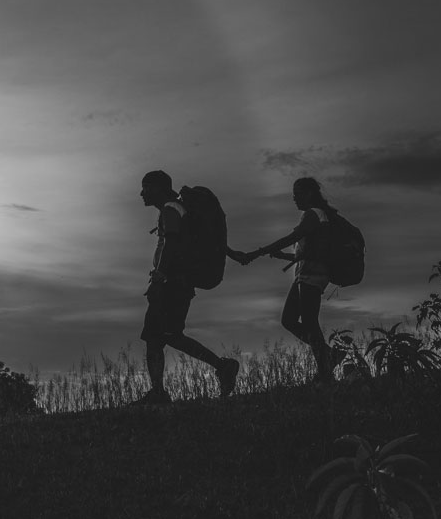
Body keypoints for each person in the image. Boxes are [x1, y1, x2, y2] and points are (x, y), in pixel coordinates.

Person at [136, 170, 240, 404]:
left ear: (159, 187)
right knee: (167, 336)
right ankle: (221, 366)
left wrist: (159, 278)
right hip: (178, 282)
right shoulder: (180, 208)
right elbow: (194, 240)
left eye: (146, 187)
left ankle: (159, 393)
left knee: (157, 336)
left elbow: (171, 243)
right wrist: (233, 254)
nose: (142, 193)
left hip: (171, 283)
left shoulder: (171, 209)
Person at [238, 177, 335, 384]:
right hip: (304, 273)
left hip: (313, 274)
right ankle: (329, 357)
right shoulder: (313, 216)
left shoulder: (313, 214)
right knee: (289, 320)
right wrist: (283, 256)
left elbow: (291, 239)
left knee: (309, 323)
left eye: (297, 193)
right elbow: (306, 252)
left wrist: (259, 252)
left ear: (309, 193)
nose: (294, 198)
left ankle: (325, 372)